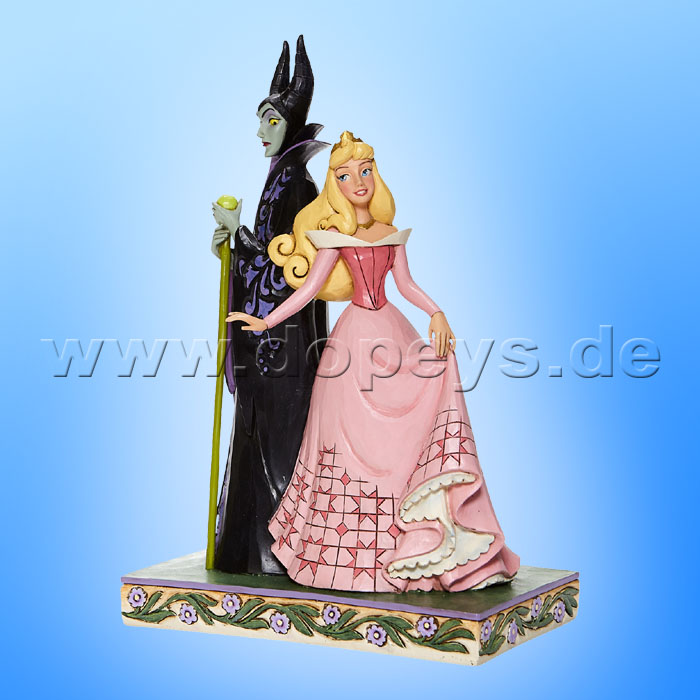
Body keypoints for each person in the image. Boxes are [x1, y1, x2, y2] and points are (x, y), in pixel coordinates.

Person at [227, 131, 519, 593]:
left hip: (391, 331)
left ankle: (423, 539)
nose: (358, 182)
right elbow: (308, 291)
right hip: (354, 342)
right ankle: (346, 554)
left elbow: (406, 285)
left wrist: (437, 312)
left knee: (430, 382)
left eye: (365, 171)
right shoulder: (334, 238)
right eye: (345, 175)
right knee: (349, 439)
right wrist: (264, 321)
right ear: (335, 184)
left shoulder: (389, 234)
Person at [209, 36, 329, 575]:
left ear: (290, 124)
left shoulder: (297, 186)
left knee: (278, 444)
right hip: (271, 343)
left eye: (270, 120)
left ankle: (277, 557)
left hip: (283, 345)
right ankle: (251, 552)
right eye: (261, 119)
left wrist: (242, 237)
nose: (261, 129)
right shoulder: (280, 180)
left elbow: (290, 270)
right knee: (259, 436)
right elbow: (268, 254)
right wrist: (233, 246)